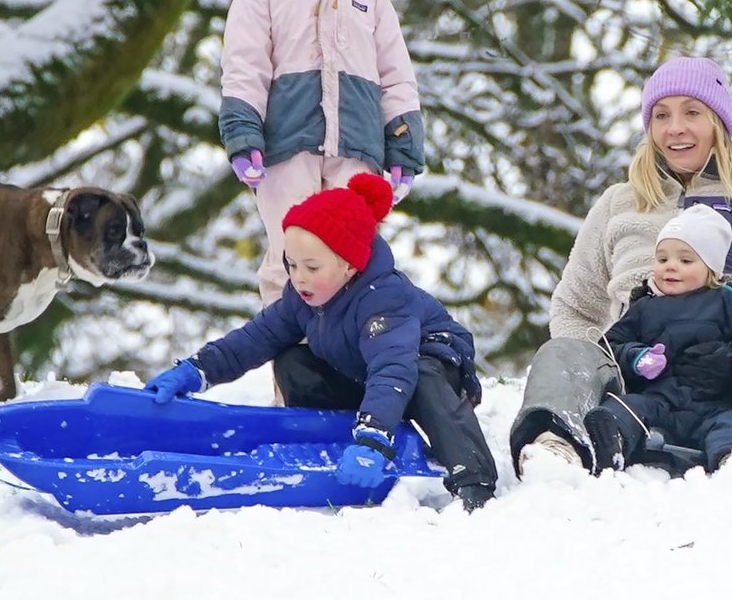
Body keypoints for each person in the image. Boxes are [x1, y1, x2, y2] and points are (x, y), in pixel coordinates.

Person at [510, 55, 732, 473]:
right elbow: (575, 306)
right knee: (563, 349)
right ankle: (560, 441)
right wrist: (615, 361)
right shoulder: (619, 203)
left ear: (719, 122)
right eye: (661, 115)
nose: (674, 128)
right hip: (637, 380)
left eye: (691, 112)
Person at [144, 173, 497, 511]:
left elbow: (392, 369)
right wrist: (197, 369)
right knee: (293, 363)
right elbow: (256, 338)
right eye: (292, 264)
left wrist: (374, 437)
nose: (298, 277)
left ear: (349, 266)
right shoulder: (302, 297)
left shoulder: (384, 298)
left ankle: (473, 478)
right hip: (365, 372)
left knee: (422, 376)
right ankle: (329, 437)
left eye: (312, 267)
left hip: (428, 359)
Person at [218, 0, 424, 305]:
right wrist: (242, 134)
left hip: (358, 150)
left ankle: (349, 367)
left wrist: (403, 147)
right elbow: (245, 69)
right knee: (293, 257)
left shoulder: (370, 0)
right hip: (287, 148)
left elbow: (396, 78)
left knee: (352, 260)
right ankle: (293, 370)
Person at [581, 204, 732, 473]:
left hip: (716, 403)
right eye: (662, 259)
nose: (671, 267)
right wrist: (637, 357)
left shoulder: (731, 300)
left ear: (711, 268)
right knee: (626, 408)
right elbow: (610, 345)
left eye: (685, 260)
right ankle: (612, 440)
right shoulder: (645, 307)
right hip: (659, 400)